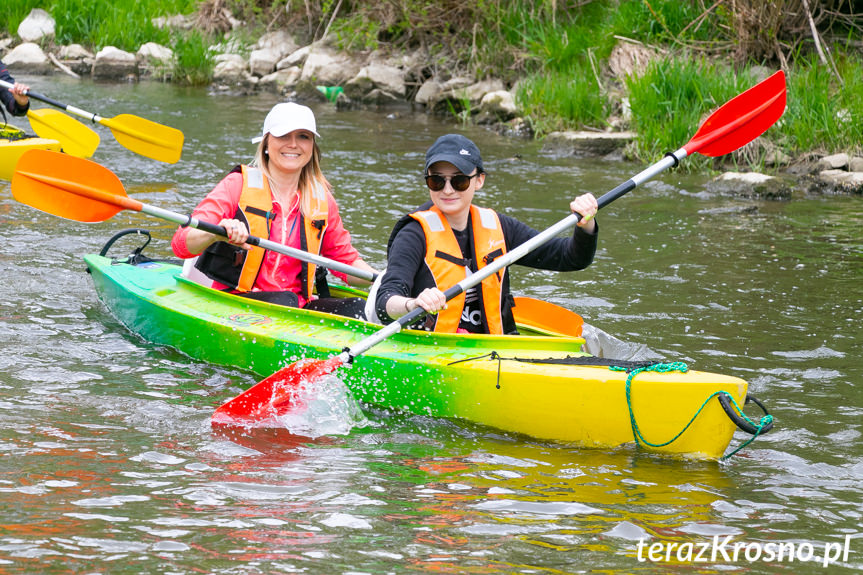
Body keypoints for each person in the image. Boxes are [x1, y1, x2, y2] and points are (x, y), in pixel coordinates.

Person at [374, 133, 598, 334]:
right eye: (437, 181)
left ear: (479, 180)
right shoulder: (413, 234)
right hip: (434, 348)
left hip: (495, 347)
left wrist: (585, 224)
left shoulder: (499, 226)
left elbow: (571, 258)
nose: (448, 189)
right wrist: (412, 304)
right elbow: (385, 302)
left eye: (459, 180)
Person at [172, 102, 378, 318]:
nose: (293, 144)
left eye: (303, 136)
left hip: (294, 308)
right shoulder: (237, 184)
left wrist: (386, 278)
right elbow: (181, 244)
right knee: (283, 300)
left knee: (357, 308)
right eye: (283, 136)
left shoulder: (322, 200)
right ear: (266, 143)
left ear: (312, 147)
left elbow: (346, 263)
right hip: (234, 302)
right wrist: (215, 232)